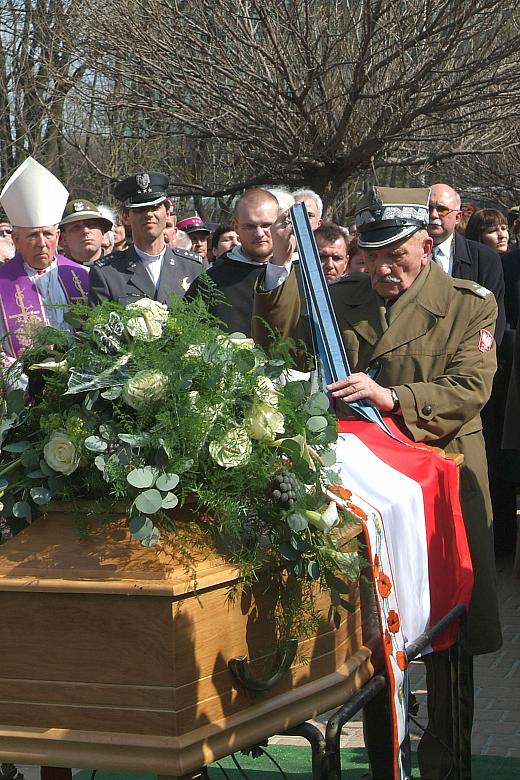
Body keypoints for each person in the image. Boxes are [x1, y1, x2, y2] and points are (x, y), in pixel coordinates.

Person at [253, 186, 502, 780]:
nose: (383, 269)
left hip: (443, 493)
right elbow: (278, 336)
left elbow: (470, 389)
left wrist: (393, 397)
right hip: (370, 499)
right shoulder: (341, 295)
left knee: (447, 641)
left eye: (398, 256)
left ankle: (448, 765)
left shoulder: (469, 304)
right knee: (378, 637)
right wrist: (283, 265)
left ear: (427, 243)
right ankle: (385, 763)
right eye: (372, 256)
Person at [0, 157, 89, 363]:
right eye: (32, 235)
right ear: (15, 240)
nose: (41, 243)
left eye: (47, 234)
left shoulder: (84, 277)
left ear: (58, 237)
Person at [88, 172, 203, 306]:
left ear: (167, 214)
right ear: (125, 217)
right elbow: (97, 324)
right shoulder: (106, 273)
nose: (149, 214)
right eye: (140, 209)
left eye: (155, 207)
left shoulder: (194, 267)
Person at [185, 188, 279, 335]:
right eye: (250, 226)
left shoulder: (301, 274)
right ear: (236, 227)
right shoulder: (210, 283)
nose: (260, 233)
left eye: (266, 225)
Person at [428, 183, 505, 345]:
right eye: (428, 209)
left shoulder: (484, 259)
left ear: (457, 217)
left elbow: (493, 321)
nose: (434, 215)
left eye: (442, 209)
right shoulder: (401, 255)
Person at [60, 199, 113, 266]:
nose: (85, 231)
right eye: (76, 227)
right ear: (64, 238)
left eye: (91, 225)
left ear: (102, 232)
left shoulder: (119, 268)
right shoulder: (55, 273)